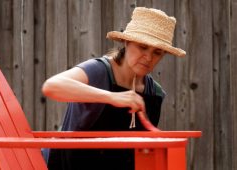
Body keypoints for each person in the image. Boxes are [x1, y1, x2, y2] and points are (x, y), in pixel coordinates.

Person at [42, 7, 186, 170]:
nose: (148, 57)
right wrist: (112, 97)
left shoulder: (155, 94)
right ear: (127, 42)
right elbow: (52, 86)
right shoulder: (99, 71)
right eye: (143, 47)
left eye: (157, 52)